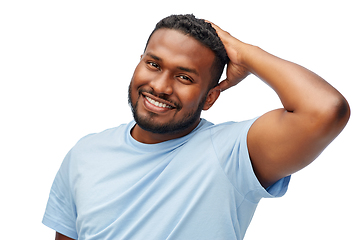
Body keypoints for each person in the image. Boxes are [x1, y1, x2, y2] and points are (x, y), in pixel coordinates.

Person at [43, 14, 350, 240]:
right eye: (153, 64)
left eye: (185, 77)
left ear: (210, 97)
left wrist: (245, 53)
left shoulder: (233, 153)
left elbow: (325, 110)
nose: (160, 86)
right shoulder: (85, 153)